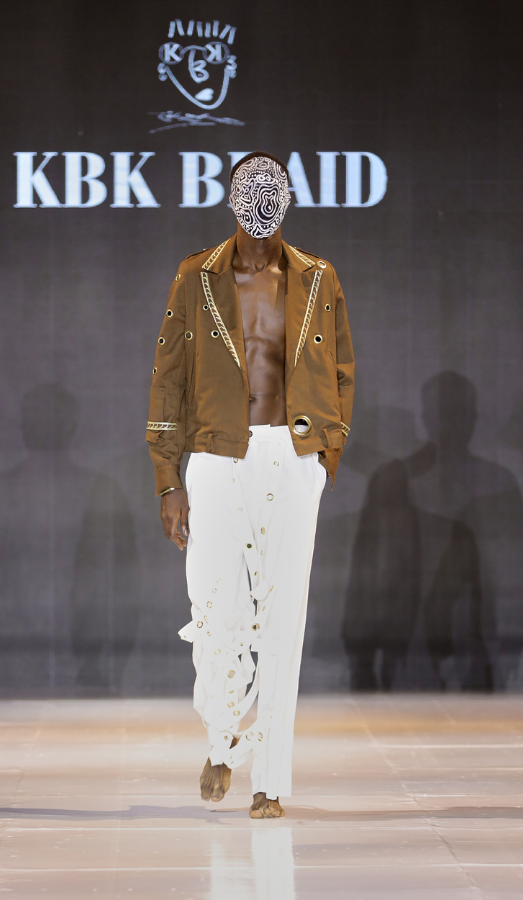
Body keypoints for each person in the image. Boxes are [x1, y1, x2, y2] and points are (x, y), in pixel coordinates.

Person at [146, 152, 355, 818]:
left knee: (284, 617)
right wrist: (168, 480)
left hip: (290, 455)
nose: (261, 203)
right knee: (216, 611)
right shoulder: (198, 276)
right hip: (217, 454)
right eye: (251, 190)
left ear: (286, 199)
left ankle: (270, 779)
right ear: (233, 198)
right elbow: (169, 378)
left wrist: (324, 454)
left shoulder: (317, 277)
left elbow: (341, 369)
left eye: (272, 191)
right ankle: (221, 738)